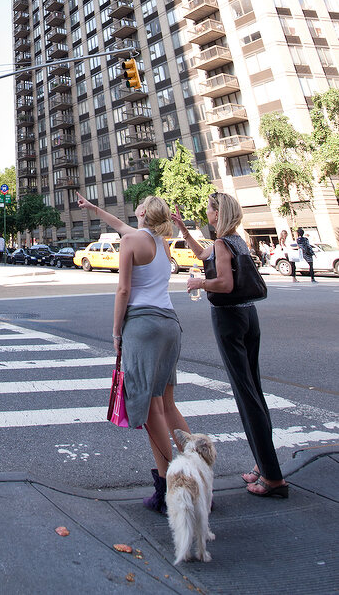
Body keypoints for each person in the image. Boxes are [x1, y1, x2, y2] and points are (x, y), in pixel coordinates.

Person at [77, 191, 189, 515]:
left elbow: (123, 289)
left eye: (139, 203)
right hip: (170, 326)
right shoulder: (161, 244)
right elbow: (121, 226)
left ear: (142, 212)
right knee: (167, 404)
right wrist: (93, 208)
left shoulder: (131, 242)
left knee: (149, 407)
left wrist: (115, 332)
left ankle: (169, 489)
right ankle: (199, 472)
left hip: (143, 327)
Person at [177, 193, 289, 499]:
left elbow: (224, 283)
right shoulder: (234, 241)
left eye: (210, 209)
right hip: (248, 315)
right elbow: (204, 254)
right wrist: (184, 230)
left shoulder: (225, 243)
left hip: (229, 318)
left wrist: (198, 283)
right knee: (253, 389)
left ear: (218, 213)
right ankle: (264, 464)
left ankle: (274, 478)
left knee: (246, 394)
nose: (207, 212)